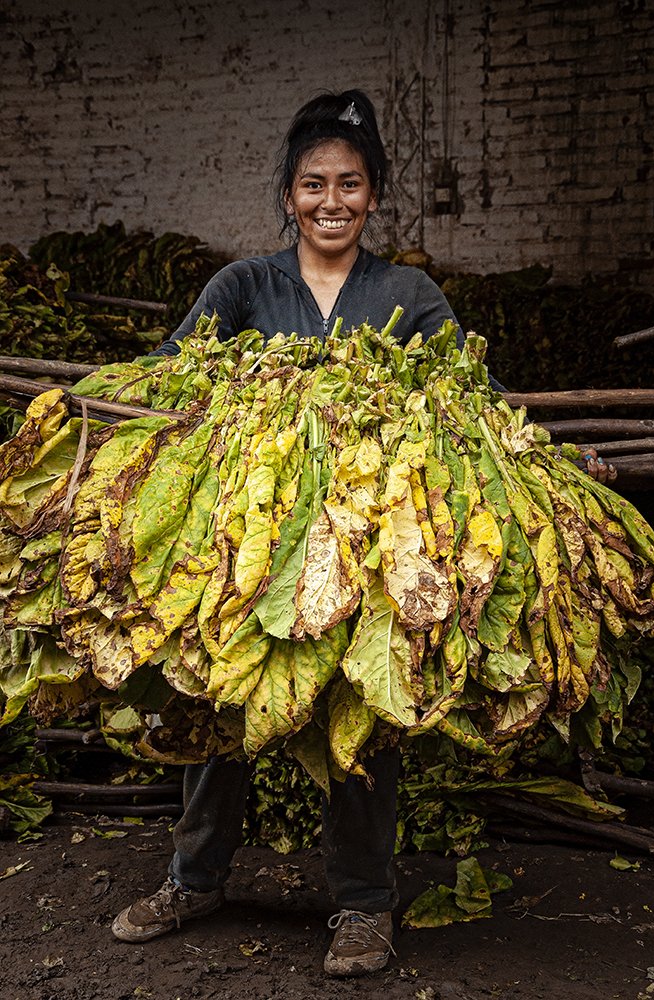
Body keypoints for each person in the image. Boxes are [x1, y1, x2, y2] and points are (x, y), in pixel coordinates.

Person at [110, 88, 615, 977]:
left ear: (374, 195)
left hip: (371, 547)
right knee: (218, 704)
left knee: (361, 722)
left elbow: (472, 402)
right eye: (313, 185)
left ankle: (362, 906)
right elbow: (169, 377)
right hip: (247, 544)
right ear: (289, 195)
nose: (331, 201)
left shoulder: (408, 294)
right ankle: (194, 879)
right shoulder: (243, 287)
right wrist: (102, 414)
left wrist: (560, 457)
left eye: (349, 184)